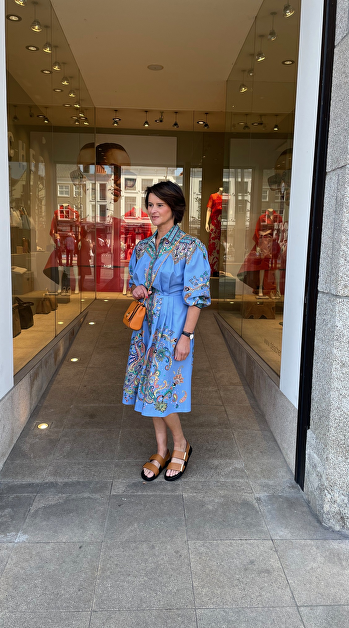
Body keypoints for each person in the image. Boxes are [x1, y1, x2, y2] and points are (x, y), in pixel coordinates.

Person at [122, 181, 211, 481]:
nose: (153, 210)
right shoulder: (142, 247)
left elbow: (197, 297)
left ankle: (180, 444)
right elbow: (134, 283)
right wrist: (137, 289)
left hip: (174, 325)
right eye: (150, 204)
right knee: (149, 386)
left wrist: (186, 336)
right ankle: (161, 450)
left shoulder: (190, 247)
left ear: (174, 207)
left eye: (160, 205)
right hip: (147, 325)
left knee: (159, 388)